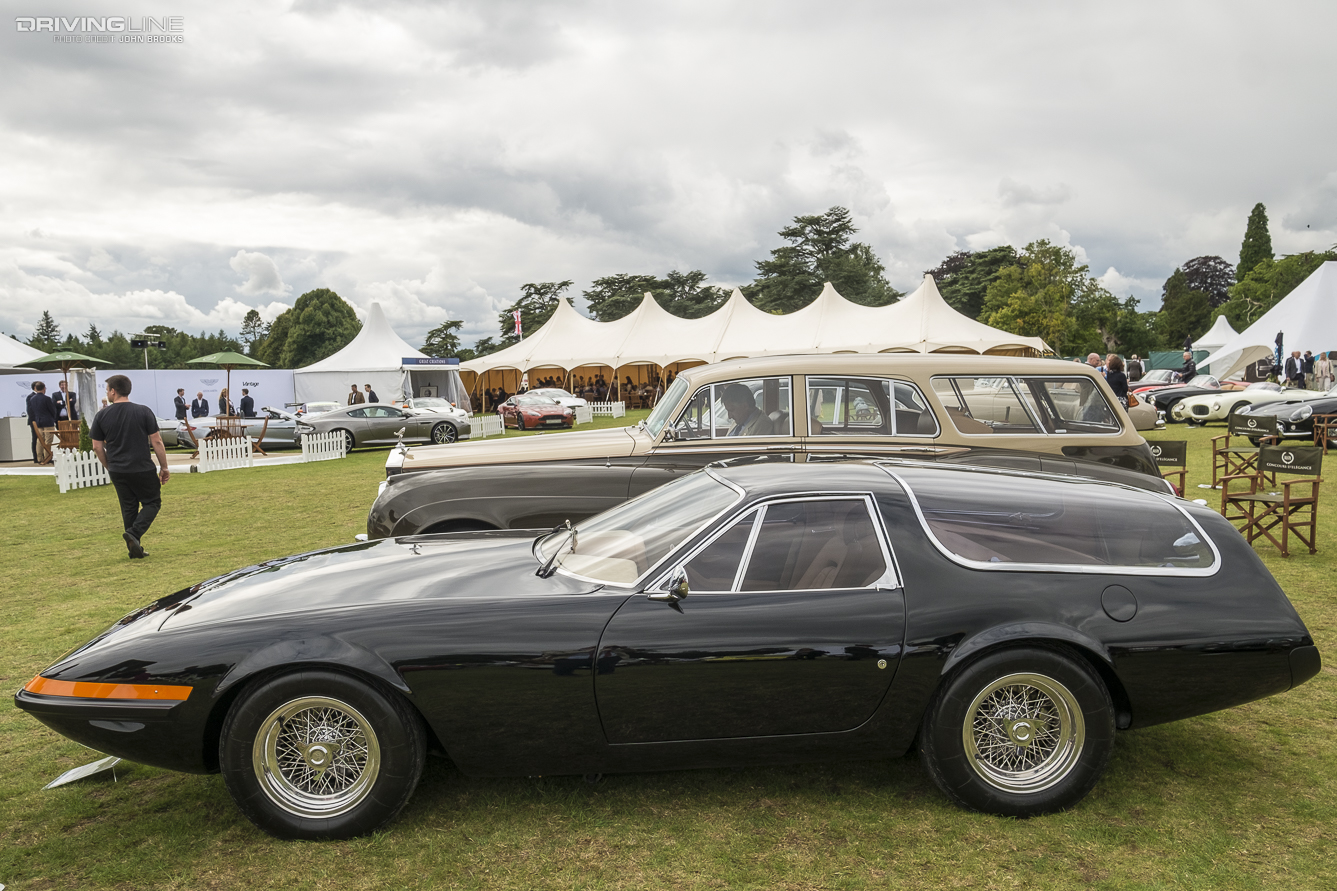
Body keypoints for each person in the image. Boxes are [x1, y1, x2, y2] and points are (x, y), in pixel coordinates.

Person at [90, 374, 170, 559]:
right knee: (152, 502)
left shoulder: (102, 415)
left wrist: (109, 466)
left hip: (118, 469)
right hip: (142, 466)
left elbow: (97, 446)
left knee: (128, 508)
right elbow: (156, 441)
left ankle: (134, 546)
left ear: (113, 391)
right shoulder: (143, 411)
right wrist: (164, 467)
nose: (107, 393)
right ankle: (134, 535)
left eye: (107, 389)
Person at [29, 381, 59, 464]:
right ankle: (47, 457)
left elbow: (32, 410)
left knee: (40, 440)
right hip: (48, 421)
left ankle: (39, 458)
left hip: (38, 421)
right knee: (48, 440)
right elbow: (52, 410)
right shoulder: (47, 398)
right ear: (44, 388)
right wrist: (53, 418)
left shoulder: (32, 399)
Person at [26, 381, 40, 462]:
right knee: (35, 438)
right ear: (35, 387)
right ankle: (36, 457)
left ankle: (41, 455)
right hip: (34, 421)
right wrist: (34, 421)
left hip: (41, 421)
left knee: (41, 438)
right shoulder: (30, 397)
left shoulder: (42, 396)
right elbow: (30, 410)